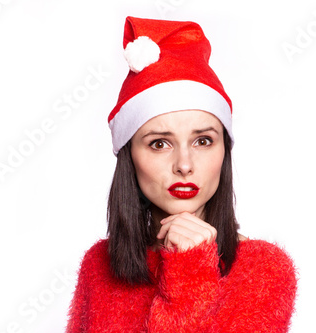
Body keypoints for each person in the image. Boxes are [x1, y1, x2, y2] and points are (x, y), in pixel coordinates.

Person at [66, 16, 297, 332]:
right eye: (159, 143)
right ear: (129, 155)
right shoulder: (99, 266)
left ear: (223, 152)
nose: (184, 165)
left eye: (203, 141)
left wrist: (190, 271)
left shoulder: (263, 269)